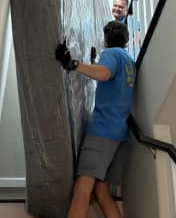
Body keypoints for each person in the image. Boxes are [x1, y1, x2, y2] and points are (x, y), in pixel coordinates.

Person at [55, 21, 136, 218]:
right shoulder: (129, 61)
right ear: (125, 39)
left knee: (82, 189)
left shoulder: (111, 54)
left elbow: (105, 73)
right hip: (121, 134)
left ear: (105, 39)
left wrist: (72, 64)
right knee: (101, 191)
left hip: (103, 132)